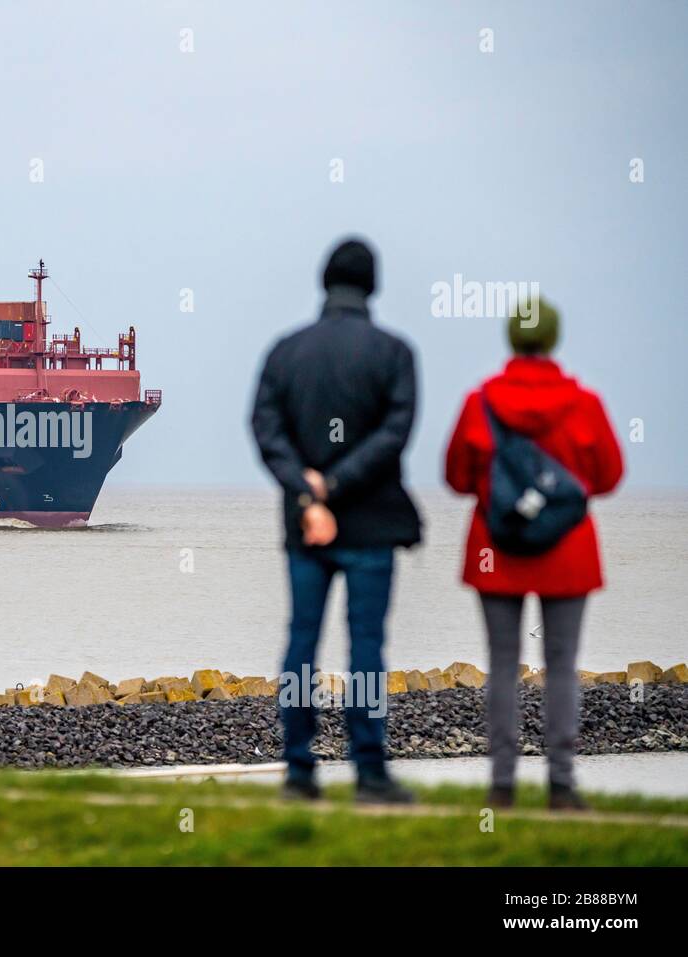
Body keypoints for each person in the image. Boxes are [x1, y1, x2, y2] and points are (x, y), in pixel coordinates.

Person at [251, 237, 422, 803]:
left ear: (325, 281)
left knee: (301, 642)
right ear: (372, 285)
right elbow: (394, 434)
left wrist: (307, 490)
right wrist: (339, 483)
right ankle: (370, 771)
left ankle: (299, 771)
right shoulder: (395, 353)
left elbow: (265, 429)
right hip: (371, 522)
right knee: (366, 645)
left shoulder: (284, 352)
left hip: (306, 526)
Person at [444, 297, 622, 810]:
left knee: (502, 664)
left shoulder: (481, 403)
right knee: (562, 664)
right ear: (553, 338)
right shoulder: (584, 403)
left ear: (511, 338)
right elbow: (608, 476)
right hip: (567, 549)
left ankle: (502, 784)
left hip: (497, 549)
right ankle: (561, 785)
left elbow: (457, 477)